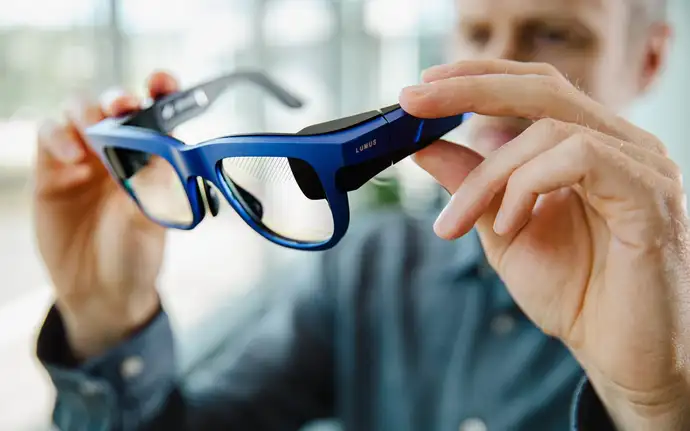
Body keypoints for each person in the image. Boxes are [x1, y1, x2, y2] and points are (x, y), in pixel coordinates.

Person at [33, 0, 688, 429]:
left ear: (651, 57)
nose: (502, 69)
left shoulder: (674, 318)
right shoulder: (368, 269)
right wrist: (106, 317)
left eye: (554, 33)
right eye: (478, 31)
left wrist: (657, 407)